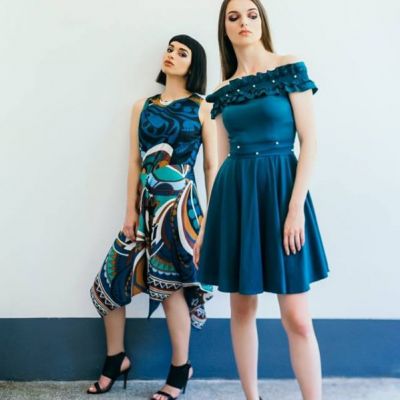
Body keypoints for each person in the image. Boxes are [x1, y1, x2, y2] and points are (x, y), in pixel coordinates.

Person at [195, 1, 329, 399]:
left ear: (262, 21)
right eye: (233, 16)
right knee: (242, 309)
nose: (244, 22)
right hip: (236, 198)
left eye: (251, 14)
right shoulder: (223, 90)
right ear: (224, 28)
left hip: (283, 194)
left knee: (297, 318)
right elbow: (219, 161)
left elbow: (310, 142)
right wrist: (206, 225)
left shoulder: (289, 68)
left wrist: (295, 209)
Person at [88, 34, 217, 400]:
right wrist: (129, 210)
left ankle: (179, 370)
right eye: (170, 49)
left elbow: (211, 166)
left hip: (180, 211)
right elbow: (134, 161)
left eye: (182, 52)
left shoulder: (203, 107)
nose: (171, 55)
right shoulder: (142, 106)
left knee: (171, 291)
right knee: (107, 284)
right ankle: (116, 359)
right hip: (144, 208)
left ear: (194, 64)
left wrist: (210, 221)